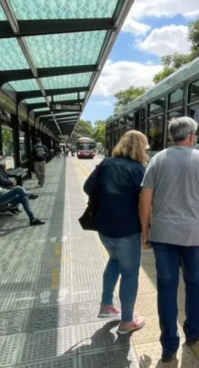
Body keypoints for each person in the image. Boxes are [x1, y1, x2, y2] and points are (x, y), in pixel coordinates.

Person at [139, 117, 199, 362]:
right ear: (191, 136)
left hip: (163, 235)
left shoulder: (157, 160)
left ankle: (168, 345)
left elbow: (145, 198)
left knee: (166, 287)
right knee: (196, 282)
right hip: (195, 236)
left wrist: (145, 231)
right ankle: (194, 330)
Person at [84, 130, 150, 334]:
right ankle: (127, 321)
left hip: (104, 227)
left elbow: (88, 187)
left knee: (114, 260)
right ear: (140, 147)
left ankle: (106, 305)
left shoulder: (106, 164)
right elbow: (146, 201)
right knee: (130, 273)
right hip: (127, 229)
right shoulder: (139, 169)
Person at [0, 160, 45, 226]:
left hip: (1, 196)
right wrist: (8, 191)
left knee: (24, 198)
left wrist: (7, 192)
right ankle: (28, 195)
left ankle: (33, 219)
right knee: (18, 188)